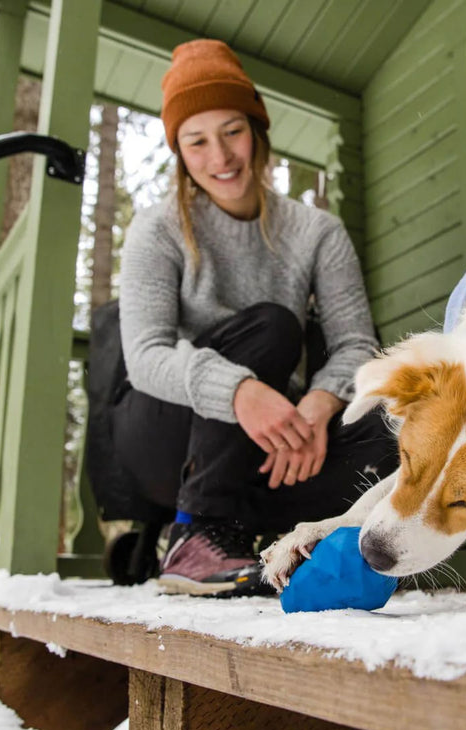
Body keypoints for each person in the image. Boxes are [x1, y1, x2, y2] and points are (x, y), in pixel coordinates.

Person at [113, 39, 398, 597]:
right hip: (168, 437)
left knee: (390, 425)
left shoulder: (317, 232)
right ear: (180, 151)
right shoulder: (158, 227)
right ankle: (195, 534)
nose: (219, 158)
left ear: (258, 131)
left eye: (232, 132)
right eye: (196, 141)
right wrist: (240, 392)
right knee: (272, 325)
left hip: (275, 443)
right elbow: (145, 356)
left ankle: (277, 544)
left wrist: (318, 406)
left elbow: (358, 345)